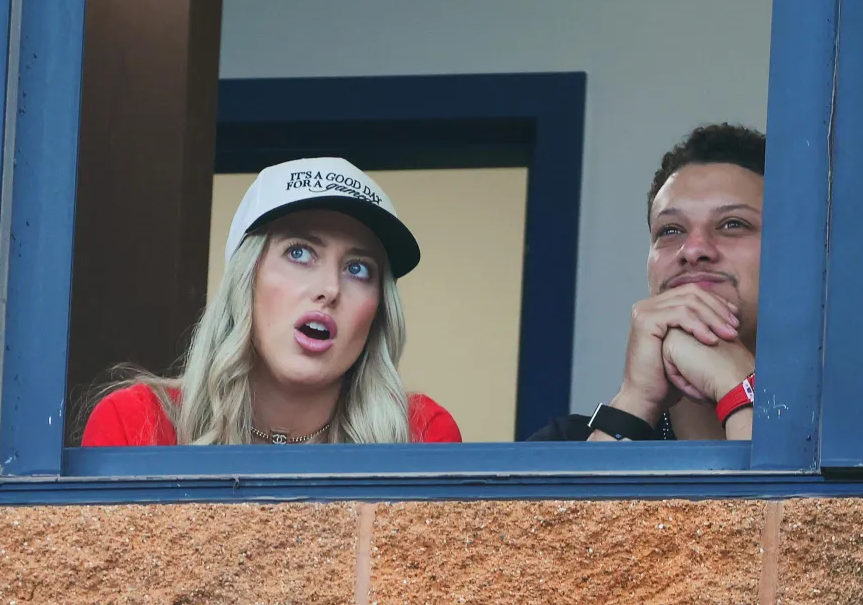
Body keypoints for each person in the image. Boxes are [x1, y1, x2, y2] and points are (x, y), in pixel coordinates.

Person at [82, 157, 462, 446]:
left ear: (379, 311)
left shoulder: (419, 435)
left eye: (359, 269)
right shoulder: (137, 425)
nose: (329, 289)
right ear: (245, 280)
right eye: (299, 253)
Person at [528, 123, 763, 442]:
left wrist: (741, 389)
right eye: (670, 230)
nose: (692, 250)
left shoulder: (844, 442)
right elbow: (581, 495)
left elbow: (795, 494)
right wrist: (635, 402)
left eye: (732, 224)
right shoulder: (564, 447)